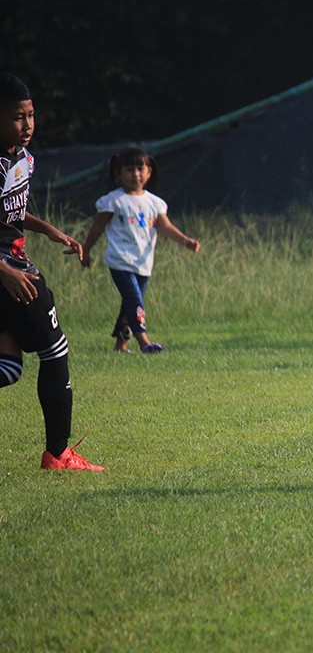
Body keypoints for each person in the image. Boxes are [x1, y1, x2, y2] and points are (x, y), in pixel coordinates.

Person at [0, 73, 105, 471]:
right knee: (54, 349)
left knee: (8, 367)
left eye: (30, 115)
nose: (26, 125)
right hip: (12, 274)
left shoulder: (22, 158)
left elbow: (10, 212)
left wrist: (49, 230)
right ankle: (59, 454)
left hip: (12, 268)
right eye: (15, 117)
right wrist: (5, 271)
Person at [82, 147, 200, 353]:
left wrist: (185, 241)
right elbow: (97, 227)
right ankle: (144, 342)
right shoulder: (113, 200)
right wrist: (86, 250)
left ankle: (121, 345)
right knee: (135, 301)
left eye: (140, 168)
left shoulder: (154, 203)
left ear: (149, 172)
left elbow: (166, 227)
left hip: (143, 263)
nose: (135, 174)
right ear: (119, 174)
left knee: (130, 304)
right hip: (120, 260)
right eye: (129, 169)